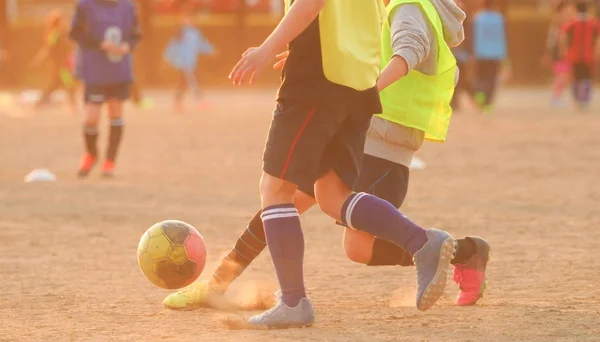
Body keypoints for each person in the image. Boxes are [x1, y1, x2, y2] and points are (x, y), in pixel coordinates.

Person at [163, 0, 490, 320]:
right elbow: (354, 29)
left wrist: (269, 48)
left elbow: (392, 44)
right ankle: (222, 283)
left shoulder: (412, 7)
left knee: (280, 191)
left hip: (366, 130)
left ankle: (281, 299)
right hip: (354, 102)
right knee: (327, 201)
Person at [69, 0, 142, 178]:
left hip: (118, 70)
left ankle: (110, 161)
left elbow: (136, 34)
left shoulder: (128, 7)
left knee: (115, 113)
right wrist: (100, 43)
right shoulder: (85, 6)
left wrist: (128, 45)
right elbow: (75, 33)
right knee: (91, 117)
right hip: (95, 71)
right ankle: (91, 153)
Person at [163, 11, 214, 113]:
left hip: (192, 62)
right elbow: (172, 47)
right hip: (183, 62)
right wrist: (167, 59)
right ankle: (201, 101)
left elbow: (201, 44)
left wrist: (211, 50)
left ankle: (177, 102)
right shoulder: (179, 33)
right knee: (193, 82)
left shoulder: (195, 33)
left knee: (183, 83)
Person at [31, 10, 77, 114]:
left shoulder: (63, 33)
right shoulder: (55, 34)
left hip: (63, 64)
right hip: (61, 65)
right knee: (69, 84)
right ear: (58, 22)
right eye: (63, 20)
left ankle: (39, 104)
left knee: (54, 85)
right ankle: (73, 107)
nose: (65, 21)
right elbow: (47, 47)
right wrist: (38, 60)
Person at [559, 1, 600, 110]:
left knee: (576, 78)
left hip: (574, 54)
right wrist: (597, 51)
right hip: (588, 54)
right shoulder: (593, 23)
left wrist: (564, 50)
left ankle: (577, 99)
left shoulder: (571, 23)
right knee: (587, 77)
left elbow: (562, 37)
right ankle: (585, 99)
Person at [472, 0, 509, 112]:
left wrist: (473, 53)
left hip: (481, 53)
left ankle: (479, 93)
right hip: (495, 53)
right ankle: (488, 104)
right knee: (491, 79)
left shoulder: (478, 18)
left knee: (480, 77)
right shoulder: (499, 18)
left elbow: (474, 37)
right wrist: (504, 55)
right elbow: (502, 37)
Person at [543, 1, 575, 107]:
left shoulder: (569, 21)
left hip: (566, 51)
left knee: (565, 76)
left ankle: (558, 96)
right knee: (561, 75)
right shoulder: (558, 21)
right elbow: (552, 37)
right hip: (559, 52)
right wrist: (549, 51)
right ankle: (556, 97)